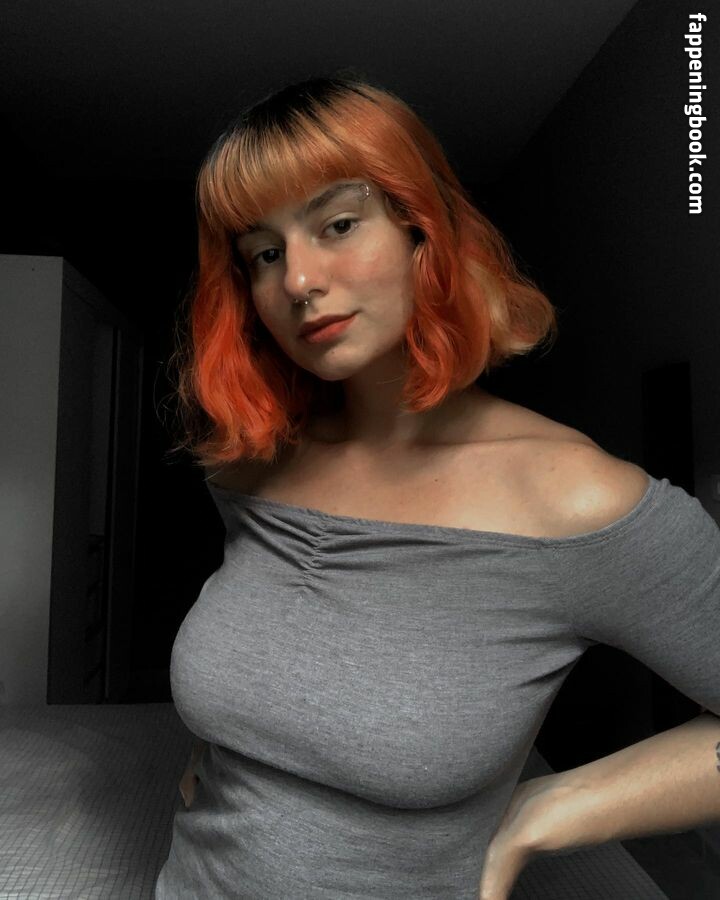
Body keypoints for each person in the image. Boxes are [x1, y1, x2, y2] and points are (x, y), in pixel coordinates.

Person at [156, 74, 720, 899]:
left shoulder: (574, 500)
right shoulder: (252, 462)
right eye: (264, 254)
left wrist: (545, 811)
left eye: (338, 224)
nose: (299, 280)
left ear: (423, 229)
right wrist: (227, 737)